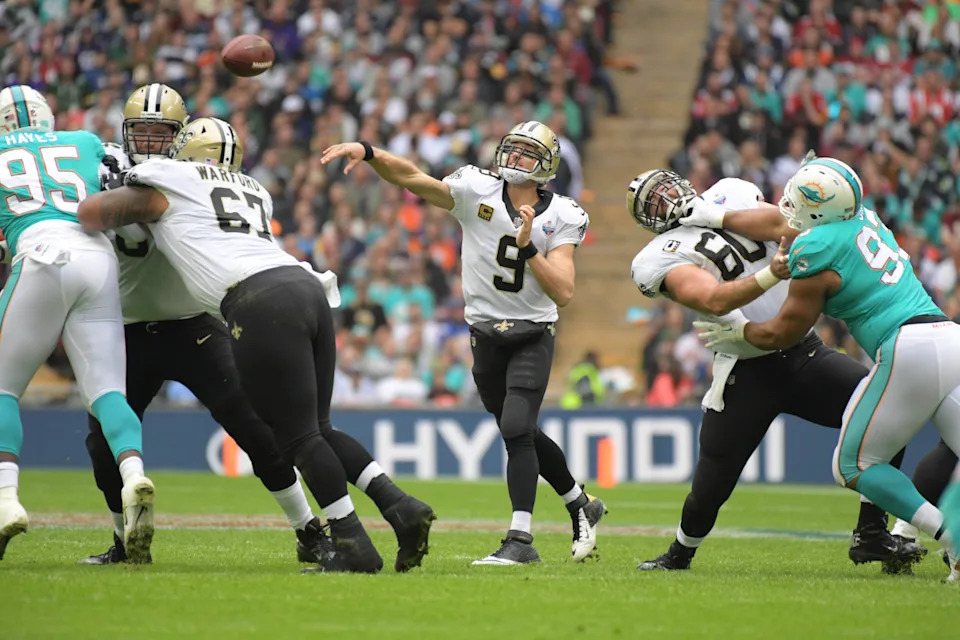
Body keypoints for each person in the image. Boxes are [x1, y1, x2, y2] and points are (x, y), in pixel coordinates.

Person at [78, 117, 435, 574]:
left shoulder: (172, 176)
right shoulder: (254, 188)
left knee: (298, 438)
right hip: (305, 287)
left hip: (257, 300)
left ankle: (351, 542)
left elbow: (94, 212)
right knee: (319, 429)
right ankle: (400, 506)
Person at [320, 121, 606, 565]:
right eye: (512, 149)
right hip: (484, 333)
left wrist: (530, 249)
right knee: (520, 429)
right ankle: (580, 504)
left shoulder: (563, 214)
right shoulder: (477, 190)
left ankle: (521, 540)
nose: (514, 158)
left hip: (532, 332)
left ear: (546, 167)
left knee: (516, 427)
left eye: (527, 153)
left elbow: (564, 291)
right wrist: (370, 152)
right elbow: (413, 178)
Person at [78, 84, 330, 566]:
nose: (150, 141)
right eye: (141, 131)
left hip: (192, 324)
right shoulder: (104, 169)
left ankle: (308, 529)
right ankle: (123, 540)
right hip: (126, 328)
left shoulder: (190, 178)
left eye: (161, 132)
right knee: (102, 442)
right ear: (125, 133)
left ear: (181, 137)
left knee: (255, 429)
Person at [626, 169, 923, 573]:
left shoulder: (727, 193)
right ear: (647, 220)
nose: (666, 200)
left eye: (665, 189)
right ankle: (680, 553)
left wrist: (716, 215)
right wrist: (770, 275)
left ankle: (871, 533)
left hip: (804, 351)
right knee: (712, 481)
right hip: (745, 369)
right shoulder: (655, 256)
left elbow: (786, 223)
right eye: (654, 201)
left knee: (887, 419)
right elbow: (712, 299)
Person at [693, 157, 960, 581]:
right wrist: (713, 215)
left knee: (853, 465)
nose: (787, 204)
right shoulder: (865, 218)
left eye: (797, 199)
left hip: (908, 348)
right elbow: (783, 225)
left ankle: (952, 539)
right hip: (948, 336)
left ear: (819, 210)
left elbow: (784, 332)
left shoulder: (814, 247)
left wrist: (741, 331)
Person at [0, 85, 154, 563]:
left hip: (41, 255)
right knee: (107, 391)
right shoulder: (85, 142)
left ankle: (5, 499)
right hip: (97, 257)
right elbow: (125, 190)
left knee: (2, 389)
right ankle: (134, 477)